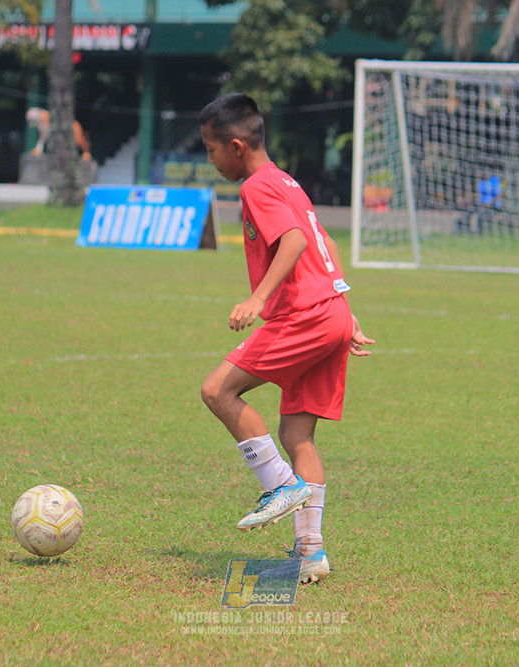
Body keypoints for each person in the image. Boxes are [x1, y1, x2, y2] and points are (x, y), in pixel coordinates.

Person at [198, 93, 374, 584]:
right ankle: (311, 552)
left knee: (218, 390)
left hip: (304, 317)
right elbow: (327, 242)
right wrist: (345, 310)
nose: (210, 160)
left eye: (211, 149)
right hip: (330, 313)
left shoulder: (256, 186)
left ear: (235, 147)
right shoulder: (286, 179)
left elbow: (295, 241)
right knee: (298, 435)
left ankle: (279, 485)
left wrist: (258, 299)